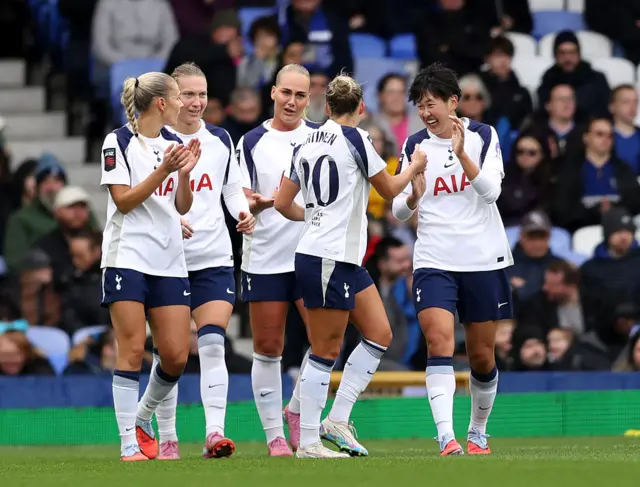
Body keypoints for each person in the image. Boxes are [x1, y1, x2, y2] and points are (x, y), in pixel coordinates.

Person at [274, 74, 427, 458]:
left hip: (336, 256)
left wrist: (313, 216)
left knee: (379, 333)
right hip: (329, 256)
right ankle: (308, 441)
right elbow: (390, 190)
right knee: (325, 349)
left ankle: (336, 420)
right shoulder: (356, 138)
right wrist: (416, 167)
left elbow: (281, 203)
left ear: (325, 107)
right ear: (361, 108)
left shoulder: (305, 141)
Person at [392, 63, 514, 456]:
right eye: (420, 106)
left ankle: (478, 431)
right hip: (434, 259)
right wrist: (412, 195)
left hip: (482, 258)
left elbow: (492, 192)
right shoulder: (414, 145)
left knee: (481, 356)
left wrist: (462, 156)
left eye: (432, 104)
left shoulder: (482, 135)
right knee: (439, 342)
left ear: (453, 102)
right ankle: (446, 436)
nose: (426, 113)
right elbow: (397, 209)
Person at [149, 62, 256, 461]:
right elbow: (146, 197)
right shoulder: (155, 142)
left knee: (213, 344)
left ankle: (215, 433)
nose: (196, 102)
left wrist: (242, 213)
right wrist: (173, 221)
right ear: (170, 99)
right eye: (187, 94)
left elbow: (230, 189)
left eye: (202, 94)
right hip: (167, 260)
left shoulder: (221, 140)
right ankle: (168, 438)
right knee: (169, 353)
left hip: (213, 257)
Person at [100, 71, 200, 461]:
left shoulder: (176, 143)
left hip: (169, 259)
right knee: (131, 349)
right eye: (177, 98)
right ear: (161, 102)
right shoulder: (118, 141)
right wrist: (165, 170)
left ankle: (142, 416)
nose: (183, 105)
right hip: (127, 257)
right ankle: (128, 444)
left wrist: (186, 175)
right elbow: (123, 201)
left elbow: (180, 206)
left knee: (175, 355)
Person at [236, 63, 319, 457]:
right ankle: (274, 436)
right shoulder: (251, 141)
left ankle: (297, 410)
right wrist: (253, 204)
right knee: (269, 346)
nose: (292, 101)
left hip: (312, 253)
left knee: (324, 341)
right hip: (266, 255)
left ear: (310, 98)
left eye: (300, 95)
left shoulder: (322, 138)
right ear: (273, 92)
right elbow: (238, 193)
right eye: (286, 93)